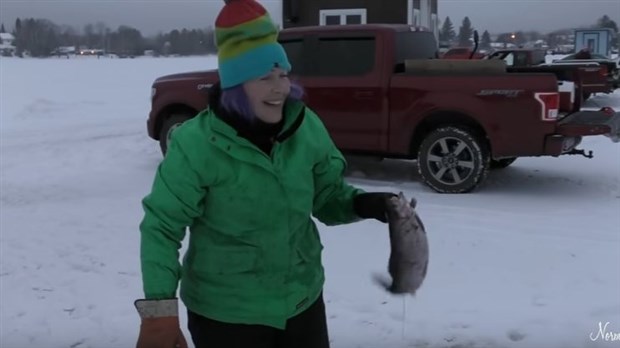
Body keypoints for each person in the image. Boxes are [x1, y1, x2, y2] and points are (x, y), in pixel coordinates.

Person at [134, 1, 396, 347]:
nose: (279, 88)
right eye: (264, 77)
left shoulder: (306, 128)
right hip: (226, 315)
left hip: (302, 301)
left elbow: (325, 197)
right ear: (235, 86)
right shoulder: (195, 145)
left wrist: (364, 205)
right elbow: (161, 227)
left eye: (283, 75)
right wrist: (160, 311)